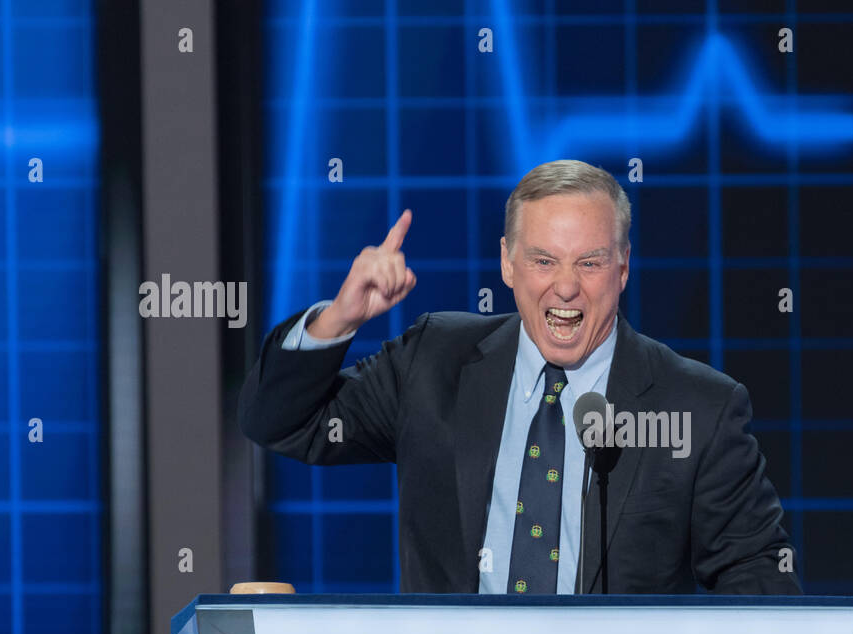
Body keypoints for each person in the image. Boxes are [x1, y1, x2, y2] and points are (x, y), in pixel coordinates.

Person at [239, 159, 800, 595]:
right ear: (507, 263)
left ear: (623, 268)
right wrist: (340, 318)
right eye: (543, 260)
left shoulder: (697, 408)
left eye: (590, 261)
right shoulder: (435, 361)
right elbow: (281, 421)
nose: (565, 286)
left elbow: (761, 580)